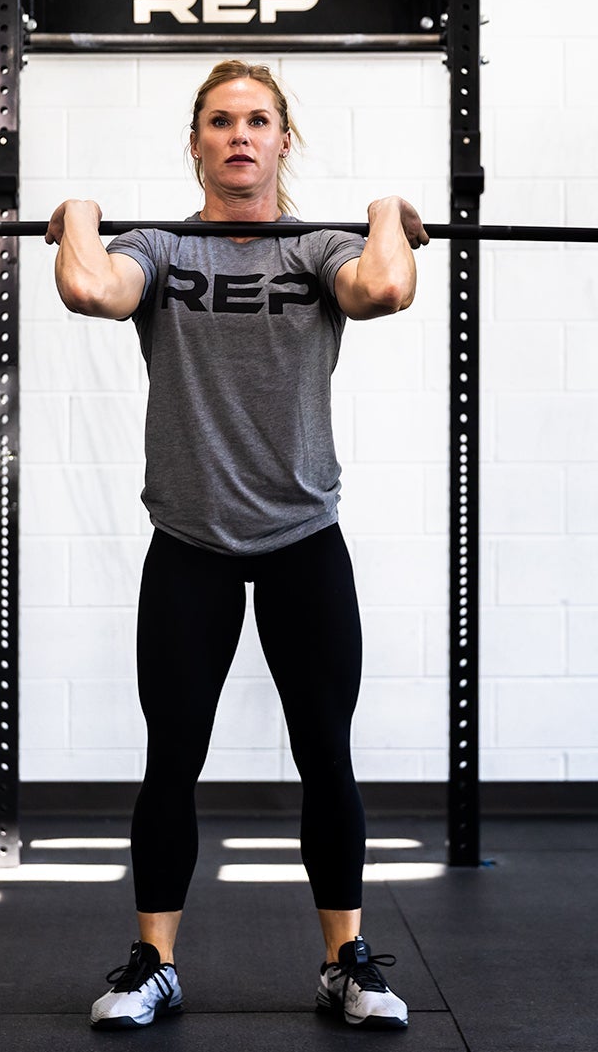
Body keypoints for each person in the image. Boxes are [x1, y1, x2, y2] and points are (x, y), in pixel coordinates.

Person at [47, 60, 428, 1032]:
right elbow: (92, 289)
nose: (239, 136)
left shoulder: (321, 252)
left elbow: (386, 285)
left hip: (305, 541)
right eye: (220, 122)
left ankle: (346, 960)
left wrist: (386, 208)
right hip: (190, 545)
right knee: (171, 758)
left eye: (259, 120)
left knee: (324, 757)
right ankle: (154, 964)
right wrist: (81, 213)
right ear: (196, 143)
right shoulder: (162, 251)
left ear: (284, 139)